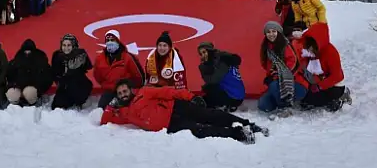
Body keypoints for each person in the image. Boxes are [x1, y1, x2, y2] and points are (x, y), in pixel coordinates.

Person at [101, 79, 267, 144]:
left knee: (210, 116)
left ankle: (249, 125)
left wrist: (190, 97)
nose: (123, 94)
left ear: (131, 89)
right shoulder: (125, 113)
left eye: (125, 91)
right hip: (170, 124)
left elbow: (169, 91)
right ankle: (238, 133)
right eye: (120, 93)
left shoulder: (144, 91)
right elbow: (104, 121)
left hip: (176, 107)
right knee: (201, 130)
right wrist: (110, 105)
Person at [298, 23, 352, 112]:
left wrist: (320, 86)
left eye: (312, 46)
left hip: (333, 85)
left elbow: (337, 76)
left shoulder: (331, 52)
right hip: (317, 82)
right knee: (306, 101)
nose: (309, 48)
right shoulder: (308, 53)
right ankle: (326, 100)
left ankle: (342, 96)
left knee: (324, 100)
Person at [257, 21, 308, 113]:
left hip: (295, 83)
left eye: (274, 31)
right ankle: (281, 100)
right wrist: (270, 76)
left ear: (279, 32)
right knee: (263, 105)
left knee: (273, 86)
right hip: (278, 83)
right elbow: (266, 66)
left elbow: (293, 64)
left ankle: (285, 107)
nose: (271, 34)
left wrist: (275, 76)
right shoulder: (267, 48)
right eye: (268, 32)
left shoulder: (286, 45)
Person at [93, 29, 146, 108]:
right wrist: (107, 85)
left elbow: (140, 77)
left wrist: (129, 87)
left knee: (129, 110)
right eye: (107, 40)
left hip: (125, 90)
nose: (109, 42)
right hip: (109, 90)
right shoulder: (100, 58)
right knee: (101, 109)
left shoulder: (128, 57)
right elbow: (97, 76)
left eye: (112, 40)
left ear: (118, 41)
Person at [197, 42, 245, 111]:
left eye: (204, 52)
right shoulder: (219, 58)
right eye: (200, 54)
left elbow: (212, 80)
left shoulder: (222, 60)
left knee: (209, 89)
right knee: (207, 91)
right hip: (234, 93)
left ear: (210, 51)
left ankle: (227, 105)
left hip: (235, 97)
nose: (203, 55)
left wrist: (205, 67)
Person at [51, 34, 93, 110]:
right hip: (64, 85)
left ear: (73, 45)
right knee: (57, 106)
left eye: (69, 45)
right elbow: (54, 72)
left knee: (78, 96)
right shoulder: (57, 55)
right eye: (64, 45)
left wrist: (82, 61)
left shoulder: (80, 54)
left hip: (79, 84)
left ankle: (78, 101)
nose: (66, 48)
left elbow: (89, 66)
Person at [6, 39, 53, 106]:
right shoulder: (16, 60)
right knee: (12, 95)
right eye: (25, 51)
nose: (27, 53)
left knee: (29, 93)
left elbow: (48, 77)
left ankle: (33, 101)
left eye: (29, 51)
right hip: (18, 87)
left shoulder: (40, 60)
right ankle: (17, 103)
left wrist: (40, 89)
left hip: (33, 88)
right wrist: (13, 84)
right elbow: (10, 75)